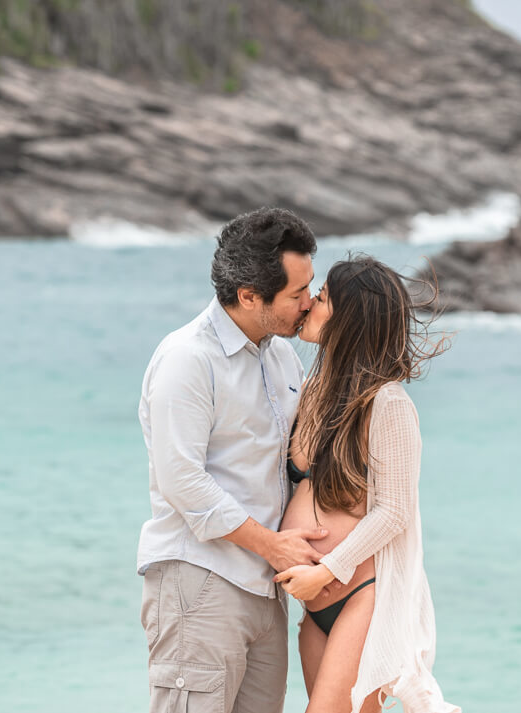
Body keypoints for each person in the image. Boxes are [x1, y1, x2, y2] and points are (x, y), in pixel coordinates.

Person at [136, 207, 330, 713]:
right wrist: (275, 547)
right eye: (296, 295)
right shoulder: (187, 358)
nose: (308, 304)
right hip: (200, 580)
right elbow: (183, 480)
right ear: (248, 296)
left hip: (267, 587)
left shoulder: (280, 354)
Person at [274, 256, 459, 713]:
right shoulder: (314, 389)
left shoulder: (387, 403)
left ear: (349, 318)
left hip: (359, 595)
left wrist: (326, 569)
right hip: (317, 606)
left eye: (321, 299)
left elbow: (393, 511)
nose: (308, 306)